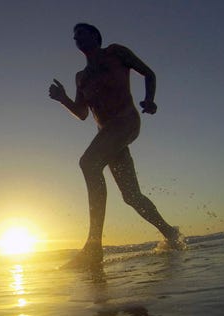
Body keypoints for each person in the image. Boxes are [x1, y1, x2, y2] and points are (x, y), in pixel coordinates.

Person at [49, 23, 182, 268]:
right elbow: (81, 113)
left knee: (88, 163)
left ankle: (93, 247)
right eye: (74, 36)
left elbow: (148, 73)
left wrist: (150, 100)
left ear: (96, 36)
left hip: (127, 122)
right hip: (107, 135)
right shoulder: (81, 77)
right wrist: (62, 98)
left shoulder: (116, 53)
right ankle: (170, 233)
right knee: (131, 196)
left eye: (82, 33)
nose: (77, 38)